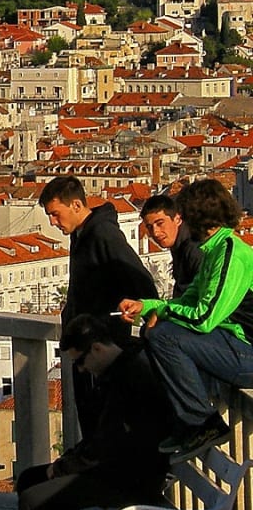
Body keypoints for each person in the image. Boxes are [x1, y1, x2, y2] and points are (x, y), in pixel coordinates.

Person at [16, 314, 171, 510]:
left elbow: (108, 446)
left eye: (80, 361)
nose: (82, 369)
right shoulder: (122, 368)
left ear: (97, 348)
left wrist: (61, 469)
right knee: (28, 479)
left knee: (31, 501)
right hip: (118, 467)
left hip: (130, 477)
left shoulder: (130, 378)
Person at [119, 178, 253, 458]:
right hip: (235, 346)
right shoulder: (215, 249)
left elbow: (204, 316)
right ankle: (186, 423)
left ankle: (203, 424)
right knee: (159, 334)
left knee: (163, 335)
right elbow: (189, 300)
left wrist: (164, 313)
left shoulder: (230, 253)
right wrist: (148, 306)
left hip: (247, 351)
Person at [39, 175, 158, 438]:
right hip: (87, 344)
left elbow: (140, 279)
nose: (53, 222)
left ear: (77, 206)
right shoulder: (82, 234)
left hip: (102, 344)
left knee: (103, 419)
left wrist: (151, 314)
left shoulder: (103, 233)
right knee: (92, 418)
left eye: (56, 214)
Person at [140, 193, 203, 298]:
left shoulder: (195, 250)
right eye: (150, 227)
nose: (155, 232)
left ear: (177, 219)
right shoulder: (179, 246)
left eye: (160, 223)